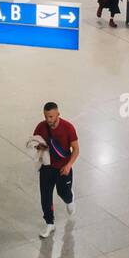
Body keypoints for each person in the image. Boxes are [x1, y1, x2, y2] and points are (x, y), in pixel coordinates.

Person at [31, 102, 78, 239]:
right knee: (45, 197)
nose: (48, 120)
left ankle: (69, 199)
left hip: (63, 168)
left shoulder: (68, 128)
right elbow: (35, 143)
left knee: (63, 193)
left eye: (51, 116)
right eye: (46, 116)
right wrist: (39, 147)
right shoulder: (41, 127)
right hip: (46, 168)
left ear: (58, 114)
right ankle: (50, 223)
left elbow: (76, 149)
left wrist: (69, 165)